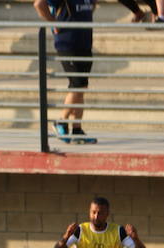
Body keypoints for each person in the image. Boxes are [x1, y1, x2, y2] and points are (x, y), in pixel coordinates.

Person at [33, 0, 97, 144]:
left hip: (85, 43)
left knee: (81, 87)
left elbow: (92, 4)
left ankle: (77, 130)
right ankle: (61, 122)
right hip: (68, 44)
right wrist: (54, 22)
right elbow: (39, 4)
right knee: (78, 85)